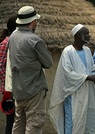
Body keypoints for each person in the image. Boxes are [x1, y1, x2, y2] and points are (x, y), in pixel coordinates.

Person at [49, 24, 95, 134]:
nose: (89, 36)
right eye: (86, 34)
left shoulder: (87, 50)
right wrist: (87, 77)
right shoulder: (68, 51)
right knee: (73, 119)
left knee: (89, 119)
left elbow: (92, 67)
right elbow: (67, 73)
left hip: (88, 91)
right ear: (78, 35)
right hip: (74, 93)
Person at [8, 6, 53, 134]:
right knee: (34, 125)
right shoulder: (35, 40)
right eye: (36, 21)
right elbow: (48, 63)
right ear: (32, 22)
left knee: (18, 125)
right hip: (34, 90)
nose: (36, 23)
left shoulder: (13, 37)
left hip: (19, 90)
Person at [0, 15, 17, 134]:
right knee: (11, 121)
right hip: (9, 90)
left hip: (16, 88)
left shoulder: (15, 41)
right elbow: (0, 64)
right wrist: (7, 81)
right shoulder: (7, 42)